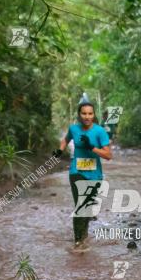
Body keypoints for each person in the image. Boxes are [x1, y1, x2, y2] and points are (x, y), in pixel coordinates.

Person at [54, 94, 112, 253]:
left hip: (95, 175)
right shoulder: (74, 129)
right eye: (84, 113)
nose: (87, 117)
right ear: (79, 115)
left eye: (90, 114)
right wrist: (59, 150)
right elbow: (65, 139)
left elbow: (108, 155)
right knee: (80, 205)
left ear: (94, 115)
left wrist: (91, 147)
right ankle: (78, 242)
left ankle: (84, 234)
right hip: (76, 172)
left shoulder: (100, 132)